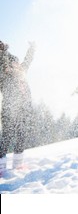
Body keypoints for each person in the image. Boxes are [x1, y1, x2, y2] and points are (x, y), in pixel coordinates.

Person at [0, 40, 35, 175]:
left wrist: (32, 48)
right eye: (13, 63)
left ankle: (18, 163)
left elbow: (28, 60)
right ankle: (1, 166)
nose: (17, 65)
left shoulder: (22, 71)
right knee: (7, 135)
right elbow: (3, 63)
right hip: (9, 108)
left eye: (17, 62)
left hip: (23, 107)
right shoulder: (4, 75)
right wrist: (3, 51)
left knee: (21, 133)